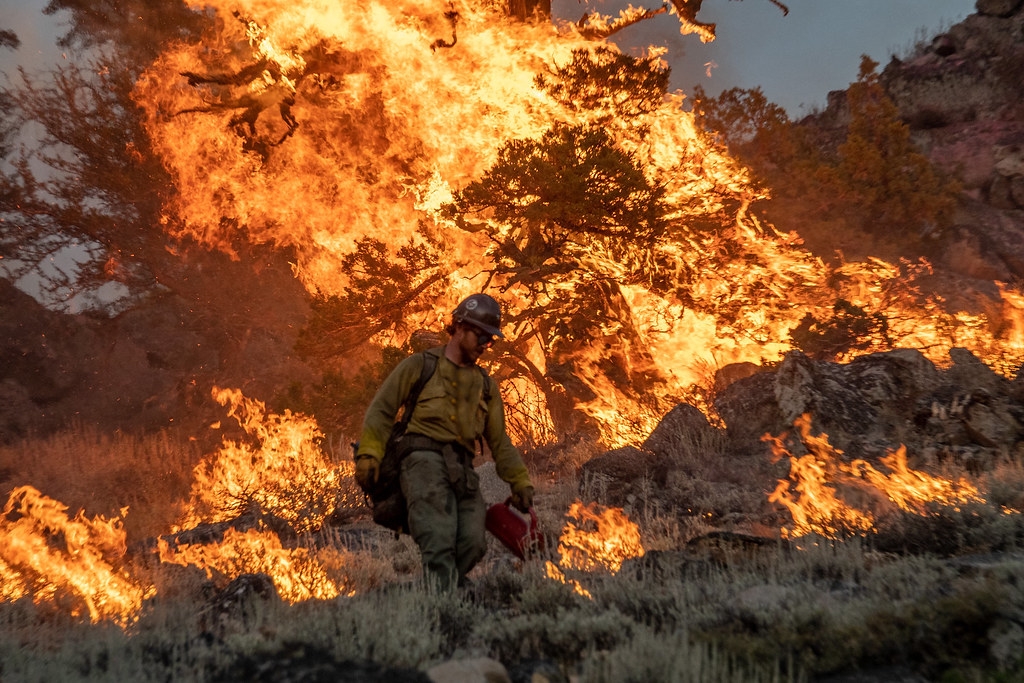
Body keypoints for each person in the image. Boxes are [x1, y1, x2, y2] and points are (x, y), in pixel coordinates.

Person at [354, 293, 535, 591]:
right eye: (482, 337)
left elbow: (500, 442)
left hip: (463, 472)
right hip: (421, 461)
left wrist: (520, 482)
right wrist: (370, 454)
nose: (486, 346)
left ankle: (431, 595)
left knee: (473, 543)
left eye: (492, 341)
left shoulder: (486, 387)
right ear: (460, 327)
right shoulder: (420, 366)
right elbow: (382, 410)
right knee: (437, 538)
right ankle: (440, 614)